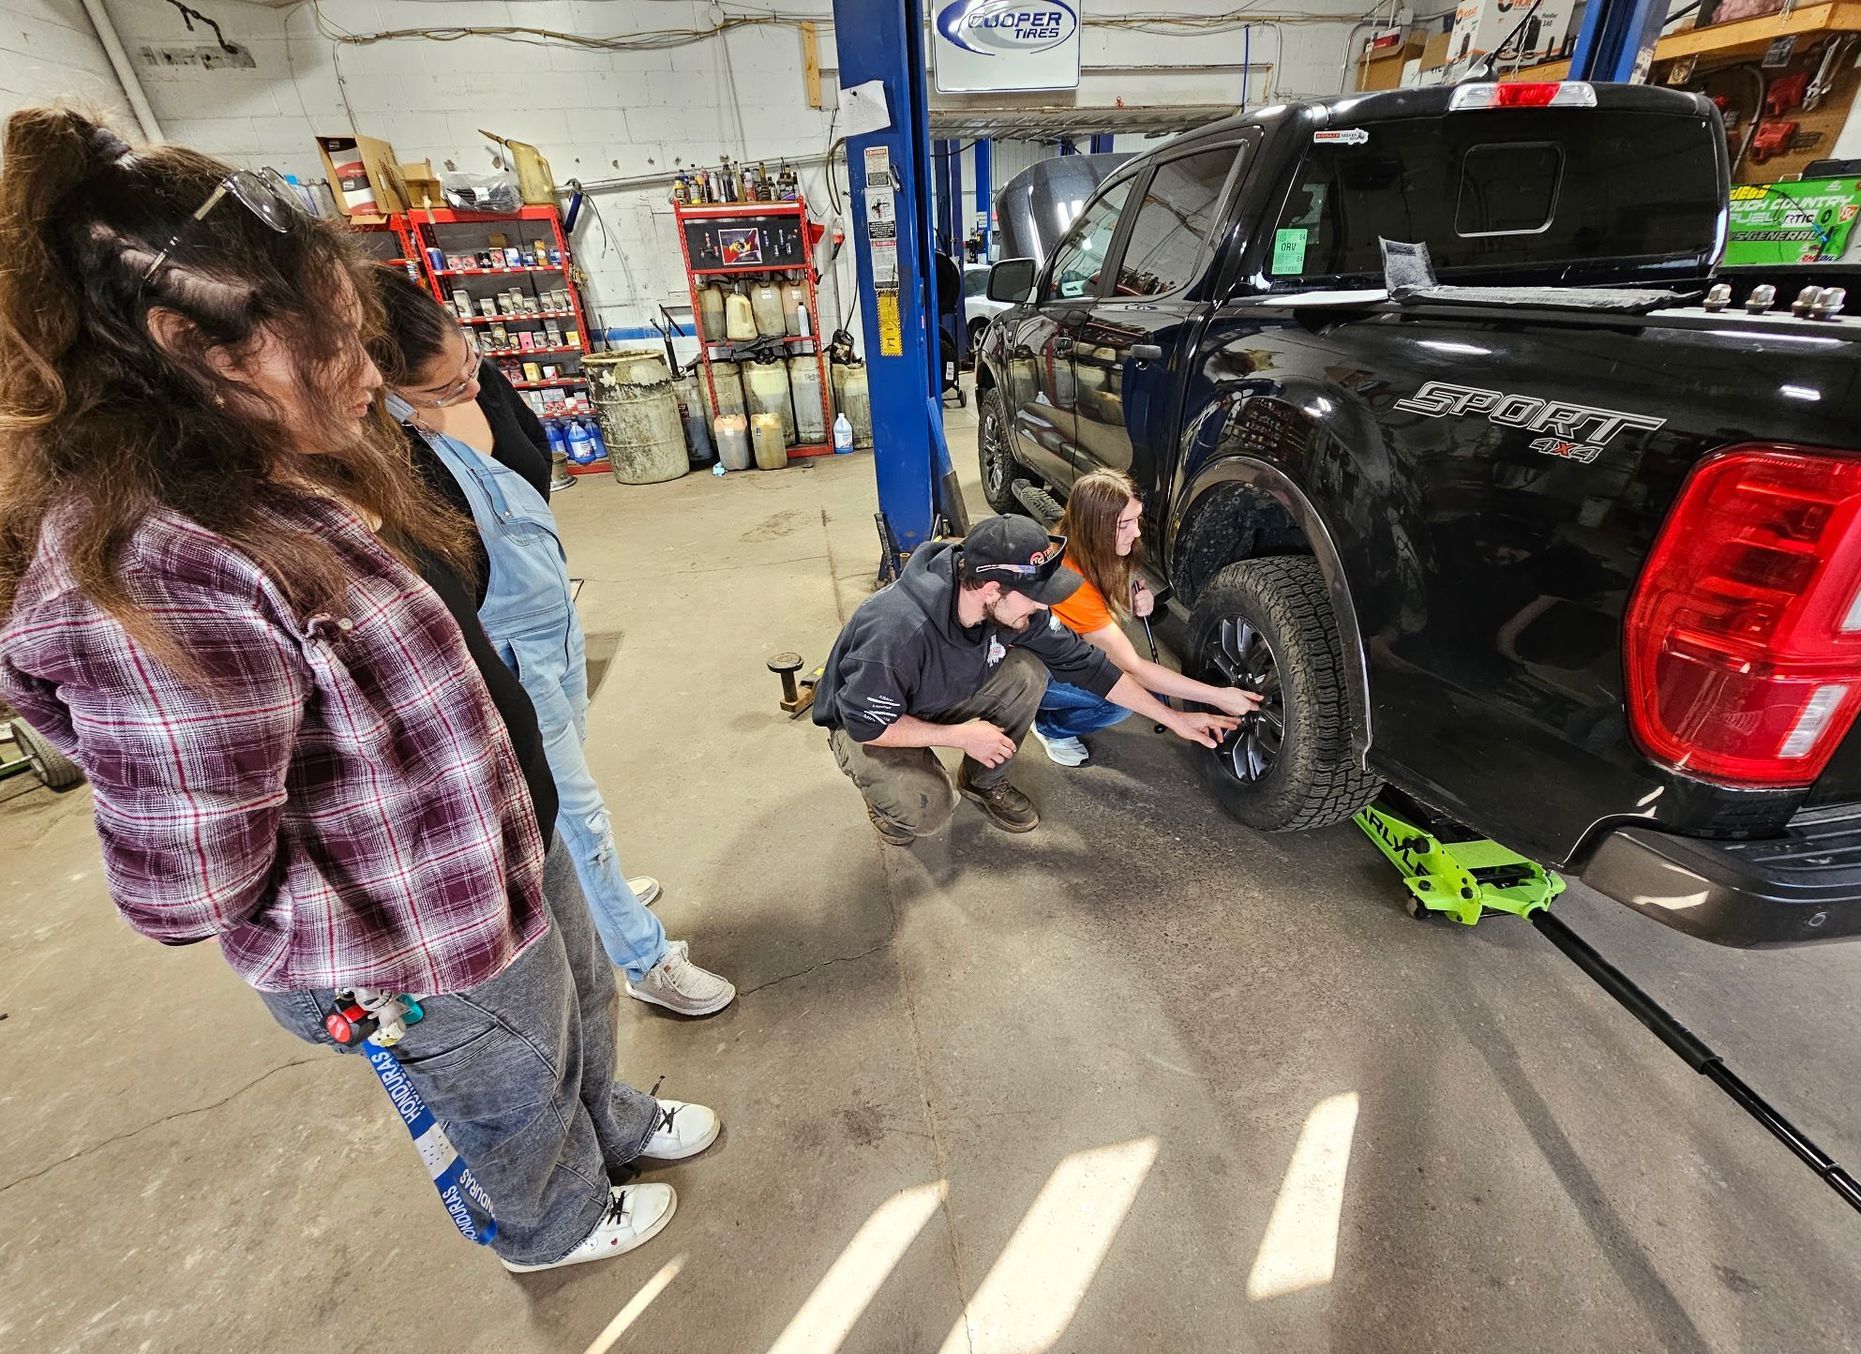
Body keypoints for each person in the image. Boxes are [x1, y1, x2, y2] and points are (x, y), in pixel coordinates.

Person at [0, 110, 716, 1272]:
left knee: (575, 1008)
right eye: (336, 341)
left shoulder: (266, 460)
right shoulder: (166, 573)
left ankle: (610, 1129)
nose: (367, 371)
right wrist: (346, 934)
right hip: (408, 932)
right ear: (201, 346)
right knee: (503, 1085)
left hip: (491, 844)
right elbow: (185, 883)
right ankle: (554, 1219)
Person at [367, 269, 734, 1018]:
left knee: (572, 807)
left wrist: (469, 383)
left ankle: (594, 893)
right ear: (385, 392)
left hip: (551, 619)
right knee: (578, 807)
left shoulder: (479, 383)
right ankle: (641, 956)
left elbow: (531, 458)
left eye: (468, 366)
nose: (469, 391)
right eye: (443, 390)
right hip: (503, 647)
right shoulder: (390, 459)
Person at [813, 514, 1243, 843]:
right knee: (924, 810)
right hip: (869, 721)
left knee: (1027, 672)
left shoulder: (1012, 610)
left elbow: (1094, 668)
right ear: (989, 588)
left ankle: (981, 781)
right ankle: (884, 803)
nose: (1043, 608)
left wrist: (1176, 719)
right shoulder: (897, 632)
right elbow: (869, 725)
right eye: (1036, 597)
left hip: (934, 692)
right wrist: (963, 736)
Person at [1034, 469, 1266, 766]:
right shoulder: (1071, 583)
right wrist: (1218, 695)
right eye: (1125, 524)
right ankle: (1048, 725)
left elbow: (1111, 580)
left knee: (1135, 691)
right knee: (1118, 702)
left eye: (1137, 519)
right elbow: (1134, 669)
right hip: (1030, 670)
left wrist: (1129, 595)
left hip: (1062, 645)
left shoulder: (1084, 541)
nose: (1137, 532)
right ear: (1094, 527)